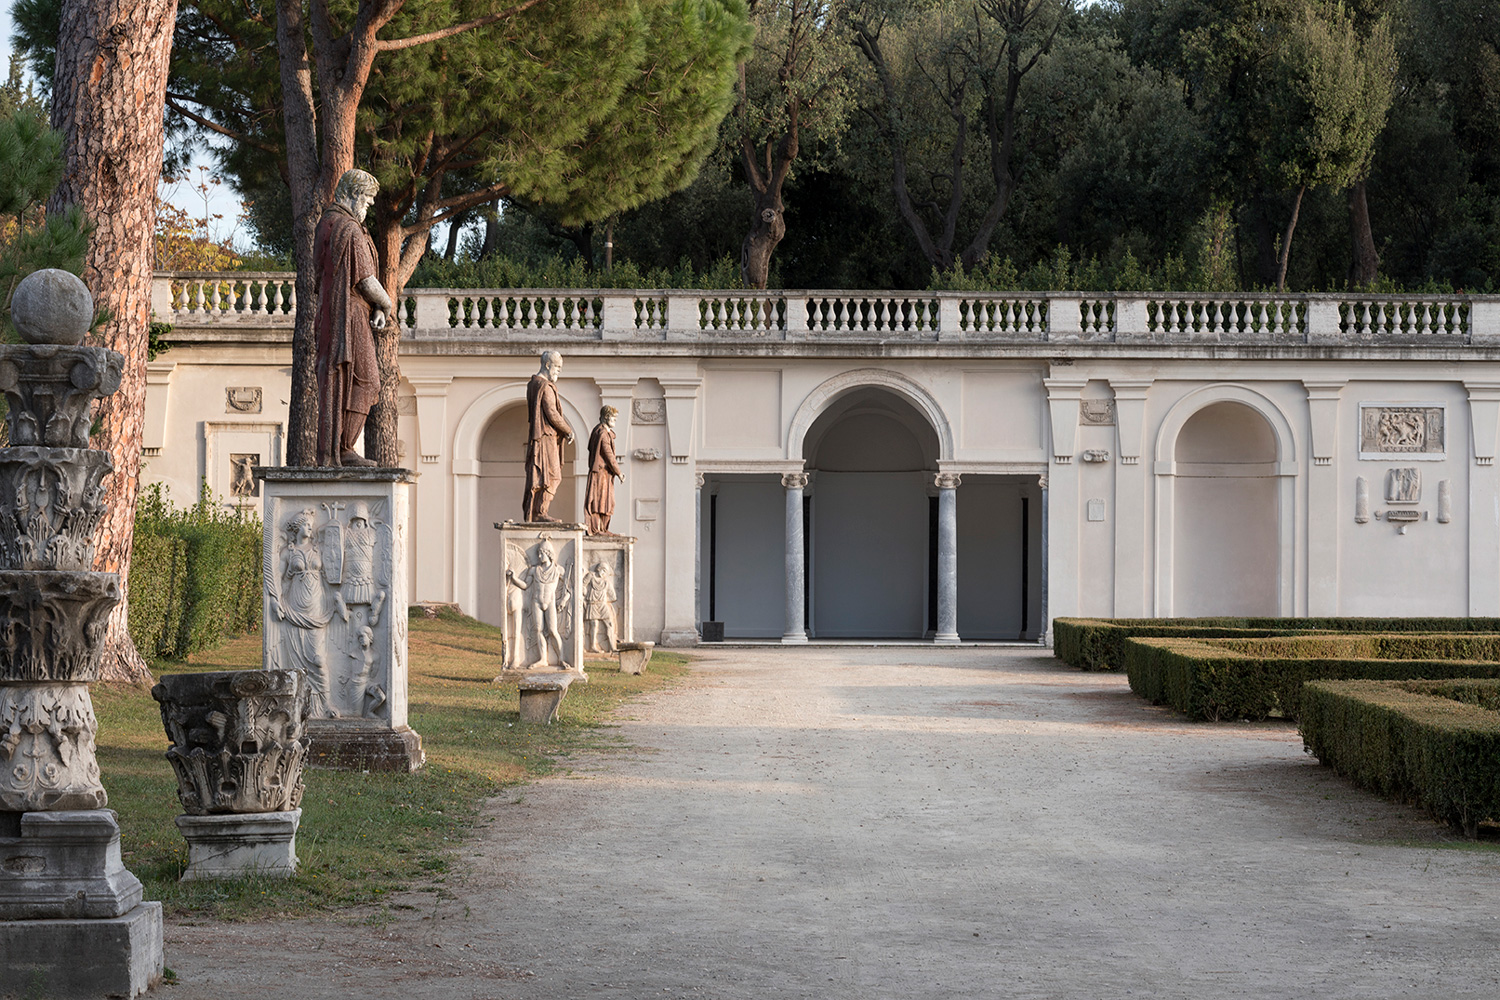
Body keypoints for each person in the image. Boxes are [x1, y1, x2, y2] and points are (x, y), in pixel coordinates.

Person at [315, 168, 393, 467]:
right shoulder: (348, 228)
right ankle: (345, 449)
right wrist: (385, 304)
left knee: (352, 380)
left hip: (335, 312)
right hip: (349, 315)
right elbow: (365, 280)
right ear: (354, 193)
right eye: (369, 198)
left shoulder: (327, 223)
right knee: (368, 381)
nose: (371, 205)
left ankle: (342, 447)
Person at [523, 351, 574, 521]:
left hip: (540, 436)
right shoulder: (544, 386)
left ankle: (538, 512)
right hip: (545, 436)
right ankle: (540, 512)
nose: (559, 371)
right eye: (557, 368)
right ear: (547, 365)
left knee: (543, 476)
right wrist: (568, 430)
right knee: (553, 475)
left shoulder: (533, 384)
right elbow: (552, 412)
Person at [585, 405, 625, 535]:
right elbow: (609, 456)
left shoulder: (600, 431)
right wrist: (619, 473)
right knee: (600, 502)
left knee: (605, 502)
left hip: (603, 473)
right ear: (606, 417)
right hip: (601, 474)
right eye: (613, 418)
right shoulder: (602, 434)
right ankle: (597, 529)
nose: (615, 421)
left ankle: (602, 528)